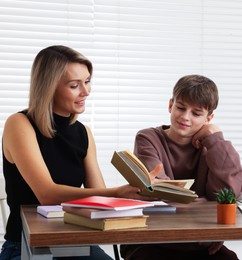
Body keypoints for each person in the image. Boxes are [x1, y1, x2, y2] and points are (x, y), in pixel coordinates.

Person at [0, 45, 161, 260]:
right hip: (26, 247)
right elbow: (47, 195)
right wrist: (115, 192)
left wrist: (139, 191)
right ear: (49, 87)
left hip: (76, 244)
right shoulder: (19, 124)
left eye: (87, 82)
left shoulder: (83, 133)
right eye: (74, 85)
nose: (86, 92)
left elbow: (99, 196)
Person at [120, 74, 242, 260]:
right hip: (153, 239)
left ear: (209, 118)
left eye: (196, 113)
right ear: (171, 105)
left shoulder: (212, 146)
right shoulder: (147, 138)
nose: (185, 117)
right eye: (180, 108)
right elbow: (163, 192)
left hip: (199, 242)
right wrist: (206, 206)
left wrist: (214, 137)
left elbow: (228, 195)